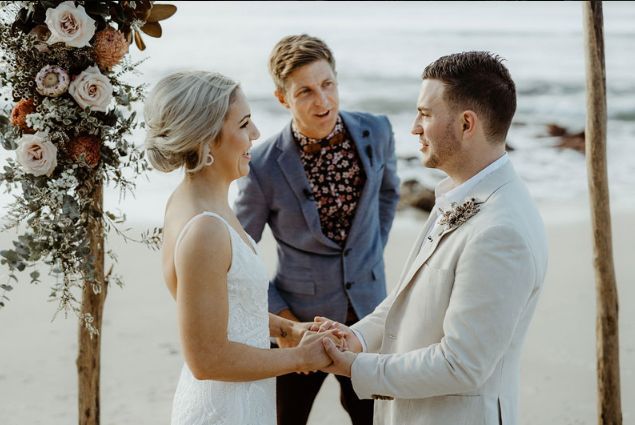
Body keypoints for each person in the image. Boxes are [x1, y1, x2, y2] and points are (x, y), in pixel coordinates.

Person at [316, 51, 549, 425]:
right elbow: (406, 302)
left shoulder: (501, 230)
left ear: (466, 124)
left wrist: (357, 368)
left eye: (425, 114)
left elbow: (461, 364)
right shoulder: (454, 195)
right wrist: (354, 338)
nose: (414, 127)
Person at [144, 71, 339, 425]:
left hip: (242, 401)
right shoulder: (204, 228)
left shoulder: (200, 202)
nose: (256, 134)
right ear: (206, 138)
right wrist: (302, 359)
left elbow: (225, 310)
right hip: (223, 409)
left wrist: (288, 331)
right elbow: (207, 359)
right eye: (244, 124)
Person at [234, 34, 400, 425]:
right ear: (282, 98)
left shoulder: (377, 131)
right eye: (305, 91)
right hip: (300, 326)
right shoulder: (262, 166)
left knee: (373, 417)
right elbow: (239, 252)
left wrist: (369, 252)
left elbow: (389, 194)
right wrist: (284, 321)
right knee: (286, 418)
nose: (322, 101)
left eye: (328, 85)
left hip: (368, 315)